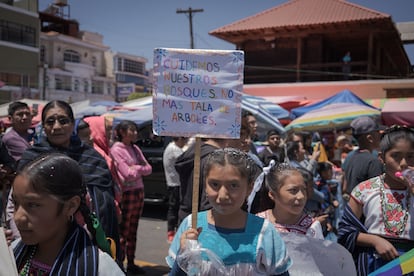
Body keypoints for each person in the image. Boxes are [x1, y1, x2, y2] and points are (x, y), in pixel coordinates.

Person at [5, 100, 122, 266]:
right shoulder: (32, 158)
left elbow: (106, 202)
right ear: (43, 126)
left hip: (85, 244)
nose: (57, 126)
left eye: (63, 120)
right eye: (50, 121)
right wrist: (22, 237)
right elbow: (15, 201)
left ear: (73, 124)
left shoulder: (92, 158)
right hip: (39, 247)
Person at [166, 148, 292, 275]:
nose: (223, 195)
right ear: (205, 185)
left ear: (250, 188)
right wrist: (183, 254)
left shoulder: (263, 232)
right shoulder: (190, 226)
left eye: (233, 186)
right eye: (214, 184)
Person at [10, 153, 124, 275]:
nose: (18, 217)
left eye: (33, 205)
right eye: (16, 203)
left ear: (71, 206)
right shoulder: (14, 251)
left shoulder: (100, 268)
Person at [338, 125, 414, 275]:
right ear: (382, 158)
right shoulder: (364, 190)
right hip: (374, 264)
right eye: (396, 156)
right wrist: (375, 241)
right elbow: (345, 231)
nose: (404, 163)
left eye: (411, 156)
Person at [110, 120, 152, 275]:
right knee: (123, 231)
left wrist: (136, 169)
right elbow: (127, 174)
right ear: (122, 132)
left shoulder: (135, 148)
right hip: (126, 193)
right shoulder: (116, 149)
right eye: (131, 130)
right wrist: (137, 170)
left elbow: (148, 168)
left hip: (139, 191)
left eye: (135, 130)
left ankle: (131, 262)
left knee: (133, 230)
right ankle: (120, 263)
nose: (135, 133)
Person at [256, 163, 324, 240]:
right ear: (273, 195)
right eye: (293, 190)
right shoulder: (257, 223)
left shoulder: (311, 227)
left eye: (304, 189)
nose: (301, 196)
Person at [175, 137, 230, 223]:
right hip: (202, 226)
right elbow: (208, 204)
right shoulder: (215, 159)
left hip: (186, 219)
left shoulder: (194, 151)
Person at [342, 116, 384, 197]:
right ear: (370, 138)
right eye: (377, 132)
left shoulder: (350, 157)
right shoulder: (373, 161)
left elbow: (345, 186)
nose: (380, 135)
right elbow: (377, 193)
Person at [163, 136, 188, 243]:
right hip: (174, 183)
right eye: (185, 140)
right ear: (179, 139)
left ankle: (176, 230)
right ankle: (170, 231)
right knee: (174, 208)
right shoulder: (173, 149)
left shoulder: (176, 148)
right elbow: (185, 160)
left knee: (177, 208)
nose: (186, 142)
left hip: (178, 183)